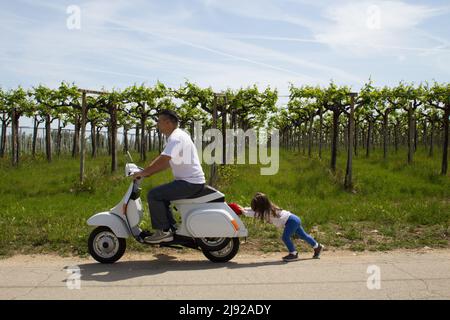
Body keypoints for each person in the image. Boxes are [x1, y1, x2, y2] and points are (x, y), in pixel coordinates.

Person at [131, 109, 206, 244]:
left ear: (168, 122)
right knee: (162, 196)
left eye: (159, 121)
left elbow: (165, 159)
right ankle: (171, 229)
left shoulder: (176, 137)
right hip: (190, 182)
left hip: (189, 183)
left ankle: (164, 232)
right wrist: (147, 172)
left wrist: (145, 173)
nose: (157, 124)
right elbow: (166, 163)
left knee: (154, 195)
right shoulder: (178, 136)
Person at [232, 192, 323, 262]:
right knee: (304, 236)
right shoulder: (269, 208)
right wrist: (243, 208)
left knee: (285, 237)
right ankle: (317, 246)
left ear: (261, 206)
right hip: (294, 219)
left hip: (291, 221)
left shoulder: (267, 212)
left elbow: (253, 214)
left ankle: (293, 254)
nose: (255, 208)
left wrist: (242, 211)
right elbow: (253, 211)